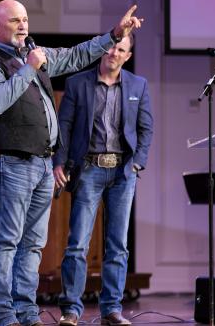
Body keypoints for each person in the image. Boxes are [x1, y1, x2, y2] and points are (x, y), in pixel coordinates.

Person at [0, 0, 143, 326]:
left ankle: (27, 312)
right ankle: (2, 316)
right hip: (12, 163)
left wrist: (114, 34)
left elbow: (77, 55)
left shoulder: (35, 55)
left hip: (41, 165)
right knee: (7, 242)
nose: (22, 26)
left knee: (33, 245)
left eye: (25, 19)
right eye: (14, 21)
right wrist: (29, 68)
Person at [53, 34, 153, 326]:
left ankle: (111, 309)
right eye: (110, 46)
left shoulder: (138, 85)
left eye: (120, 49)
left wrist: (136, 164)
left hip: (123, 172)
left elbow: (146, 130)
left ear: (127, 56)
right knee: (78, 243)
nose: (113, 52)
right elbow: (64, 127)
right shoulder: (77, 83)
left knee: (117, 245)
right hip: (89, 169)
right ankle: (71, 309)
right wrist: (59, 161)